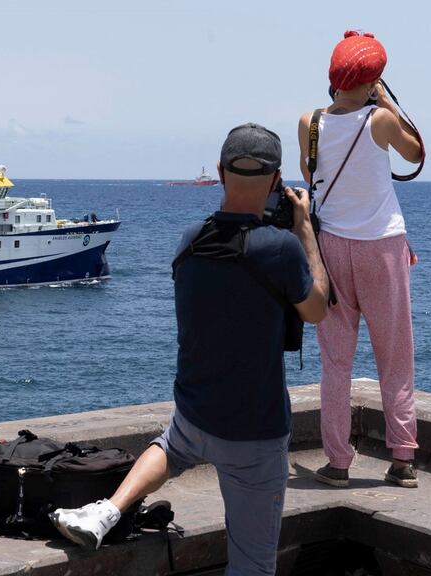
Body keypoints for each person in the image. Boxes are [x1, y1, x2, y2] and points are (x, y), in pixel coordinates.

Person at [50, 123, 329, 576]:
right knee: (253, 566)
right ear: (277, 181)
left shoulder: (191, 240)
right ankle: (109, 510)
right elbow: (316, 310)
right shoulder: (281, 248)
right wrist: (306, 233)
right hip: (253, 434)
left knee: (171, 445)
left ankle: (108, 510)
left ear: (220, 172)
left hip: (196, 415)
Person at [297, 31, 425, 489]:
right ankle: (403, 457)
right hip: (382, 247)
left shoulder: (309, 121)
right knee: (396, 358)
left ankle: (338, 463)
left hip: (331, 248)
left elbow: (311, 175)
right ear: (373, 79)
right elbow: (416, 152)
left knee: (336, 361)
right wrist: (385, 99)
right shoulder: (380, 121)